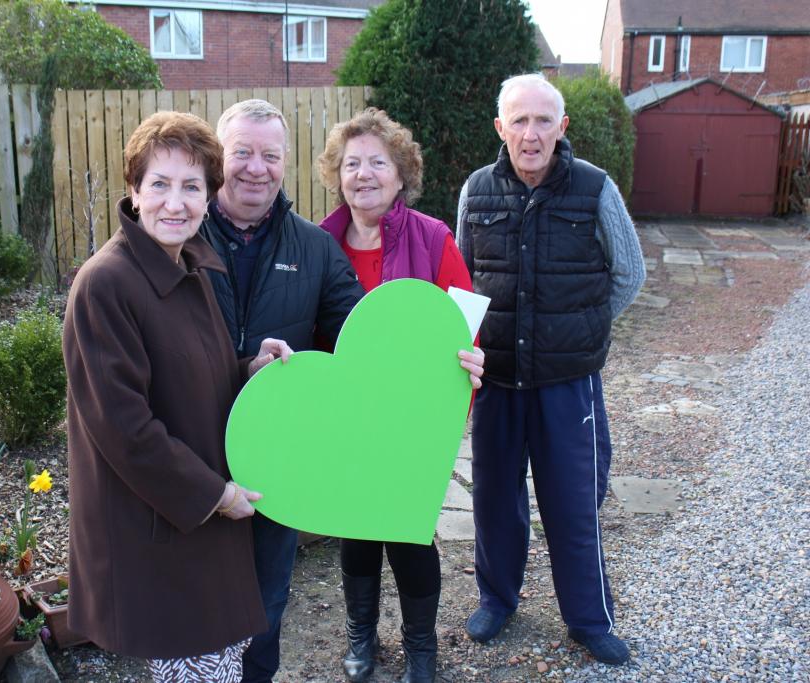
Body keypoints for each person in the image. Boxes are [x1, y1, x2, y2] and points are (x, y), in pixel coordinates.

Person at [63, 111, 293, 683]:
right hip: (163, 527)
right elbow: (124, 428)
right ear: (133, 191)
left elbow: (197, 380)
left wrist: (249, 369)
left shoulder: (189, 267)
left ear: (210, 196)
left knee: (222, 661)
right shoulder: (106, 284)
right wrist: (215, 494)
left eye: (191, 187)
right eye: (159, 184)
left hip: (199, 520)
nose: (176, 202)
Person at [455, 73, 645, 666]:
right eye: (519, 120)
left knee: (572, 503)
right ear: (500, 128)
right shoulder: (476, 191)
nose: (530, 133)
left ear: (562, 127)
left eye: (543, 121)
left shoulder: (594, 188)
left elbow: (629, 276)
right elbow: (463, 281)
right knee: (492, 499)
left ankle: (590, 619)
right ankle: (497, 599)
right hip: (498, 381)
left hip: (569, 386)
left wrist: (579, 329)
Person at [197, 99, 366, 683]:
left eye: (270, 155)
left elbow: (358, 339)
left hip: (278, 459)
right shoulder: (179, 235)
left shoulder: (315, 248)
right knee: (192, 601)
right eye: (241, 152)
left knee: (267, 601)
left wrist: (437, 362)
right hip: (191, 454)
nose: (255, 167)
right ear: (219, 157)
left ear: (286, 163)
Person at [316, 107, 479, 683]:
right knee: (357, 529)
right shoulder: (319, 243)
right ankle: (361, 636)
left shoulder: (433, 238)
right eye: (352, 163)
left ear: (400, 173)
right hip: (347, 419)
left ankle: (421, 648)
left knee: (410, 535)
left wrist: (466, 369)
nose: (364, 174)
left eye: (377, 163)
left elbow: (463, 329)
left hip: (411, 419)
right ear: (337, 173)